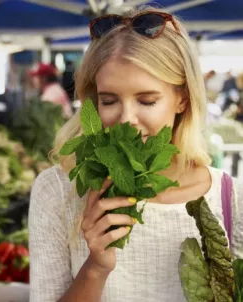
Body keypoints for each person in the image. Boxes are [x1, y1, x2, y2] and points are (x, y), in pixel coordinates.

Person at [29, 6, 243, 302]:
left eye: (146, 100)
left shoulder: (232, 201)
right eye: (109, 100)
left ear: (182, 99)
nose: (126, 119)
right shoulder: (58, 192)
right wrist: (95, 268)